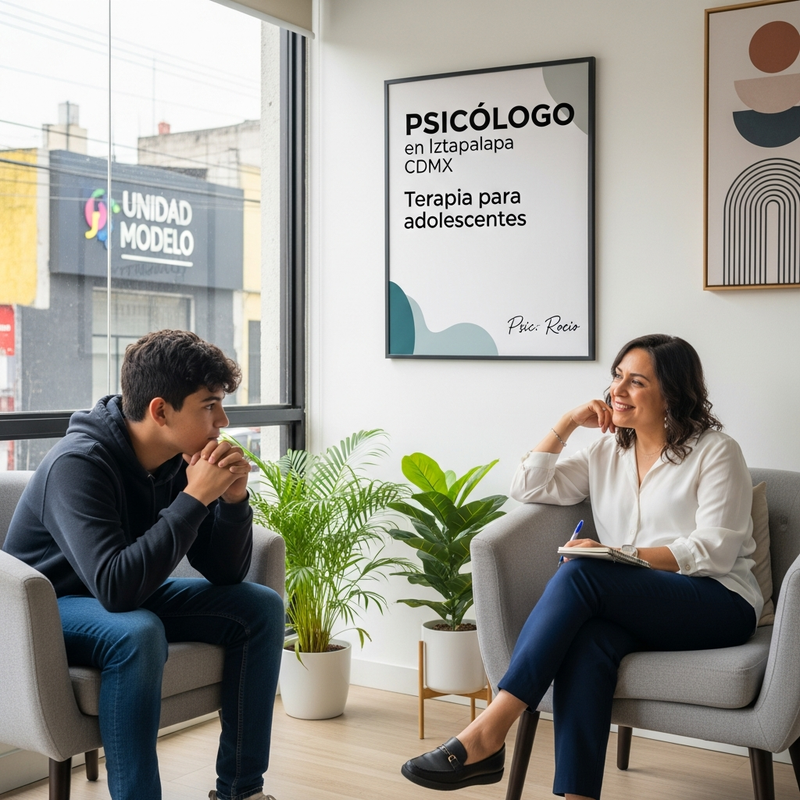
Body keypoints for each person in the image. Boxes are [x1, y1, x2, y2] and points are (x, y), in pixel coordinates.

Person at [401, 334, 760, 800]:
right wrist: (569, 421)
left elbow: (713, 551)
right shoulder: (606, 452)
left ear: (671, 392)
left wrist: (616, 556)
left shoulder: (717, 451)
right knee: (588, 643)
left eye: (636, 382)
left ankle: (489, 731)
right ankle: (577, 796)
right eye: (616, 377)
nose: (618, 391)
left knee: (581, 571)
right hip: (640, 603)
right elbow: (527, 486)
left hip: (717, 602)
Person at [3, 330, 284, 800]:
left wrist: (233, 501)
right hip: (45, 608)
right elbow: (117, 589)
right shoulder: (78, 465)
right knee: (137, 632)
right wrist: (195, 497)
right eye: (209, 406)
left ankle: (241, 790)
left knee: (259, 608)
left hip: (117, 594)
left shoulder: (175, 461)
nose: (223, 420)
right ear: (160, 410)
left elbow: (225, 572)